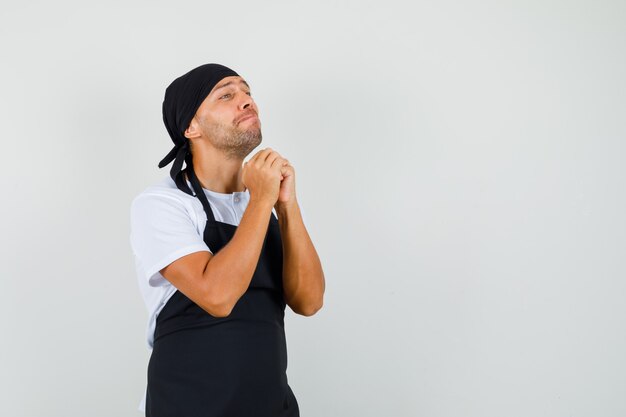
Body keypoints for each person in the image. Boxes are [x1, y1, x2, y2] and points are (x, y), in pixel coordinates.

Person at [129, 63, 325, 417]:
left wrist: (288, 205)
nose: (247, 101)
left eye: (248, 92)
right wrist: (263, 201)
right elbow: (217, 297)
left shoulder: (270, 201)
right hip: (185, 406)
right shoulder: (162, 204)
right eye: (226, 95)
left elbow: (309, 301)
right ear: (191, 126)